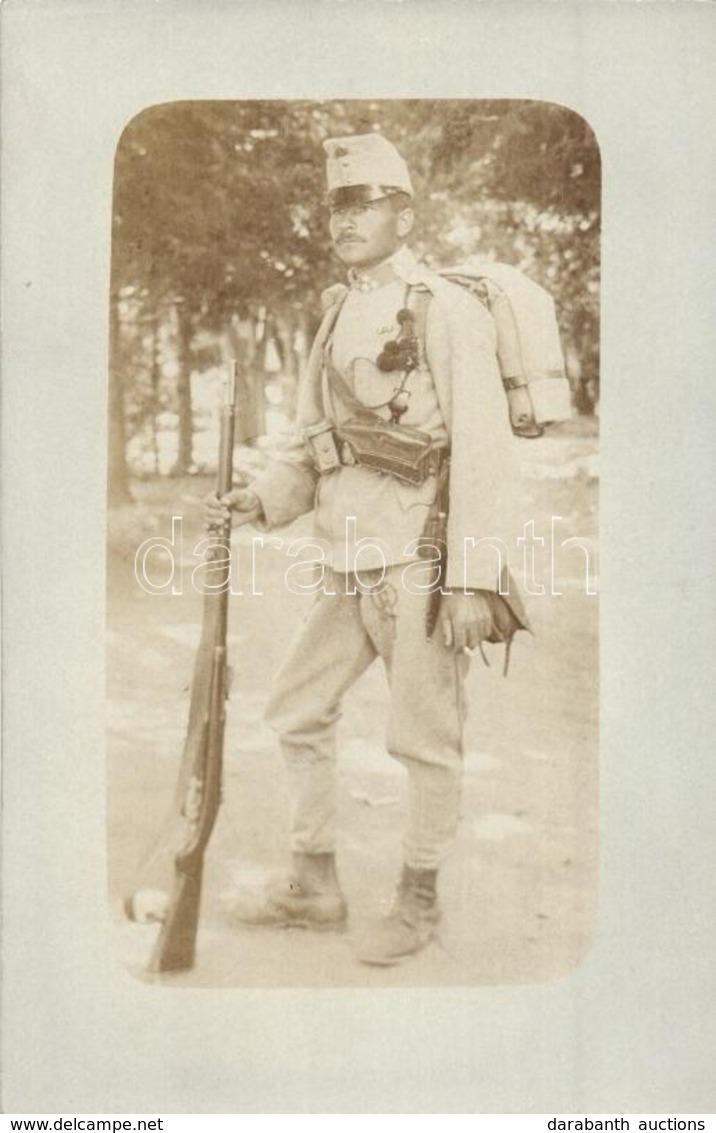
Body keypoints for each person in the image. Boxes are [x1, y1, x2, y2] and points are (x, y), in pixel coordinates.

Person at [205, 133, 528, 966]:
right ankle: (314, 883)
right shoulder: (339, 306)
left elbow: (486, 454)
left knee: (424, 739)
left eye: (364, 201)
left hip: (419, 561)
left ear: (404, 213)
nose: (344, 218)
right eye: (336, 204)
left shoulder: (445, 310)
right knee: (296, 706)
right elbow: (320, 433)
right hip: (349, 559)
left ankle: (418, 899)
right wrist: (268, 496)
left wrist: (471, 581)